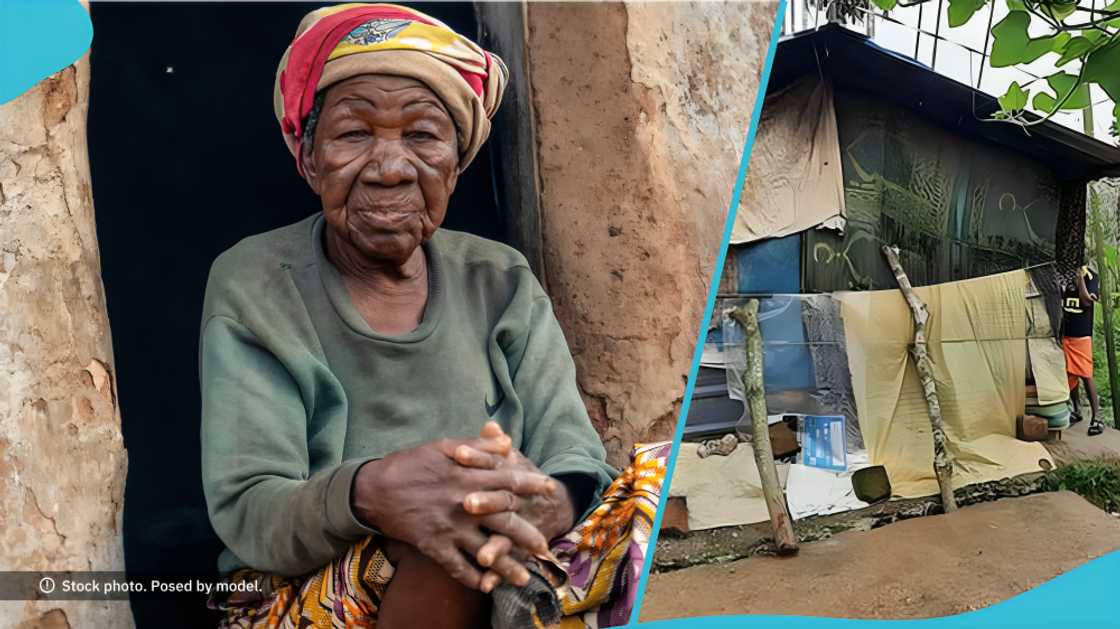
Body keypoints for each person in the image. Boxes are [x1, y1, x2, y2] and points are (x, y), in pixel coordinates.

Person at [199, 4, 668, 627]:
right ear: (309, 158)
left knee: (655, 477)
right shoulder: (257, 281)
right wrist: (375, 493)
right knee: (444, 543)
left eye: (421, 136)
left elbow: (571, 449)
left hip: (504, 552)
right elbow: (251, 510)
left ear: (456, 160)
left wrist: (541, 505)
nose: (391, 169)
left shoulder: (499, 279)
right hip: (305, 590)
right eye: (353, 134)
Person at [1062, 262, 1102, 436]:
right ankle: (1077, 410)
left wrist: (1080, 279)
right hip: (1066, 334)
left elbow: (1086, 302)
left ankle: (1097, 416)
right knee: (1070, 373)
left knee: (1086, 375)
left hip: (1081, 335)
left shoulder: (1091, 276)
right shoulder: (1065, 274)